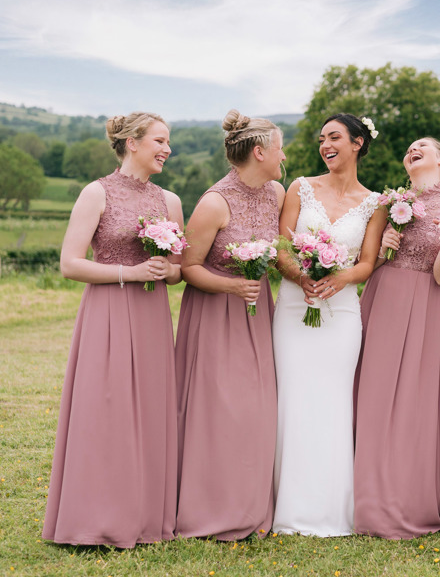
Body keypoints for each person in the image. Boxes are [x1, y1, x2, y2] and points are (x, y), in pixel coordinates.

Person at [43, 112, 182, 547]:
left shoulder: (170, 201)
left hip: (151, 314)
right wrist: (130, 270)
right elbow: (70, 263)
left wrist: (165, 268)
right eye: (159, 140)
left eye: (169, 142)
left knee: (149, 409)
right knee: (106, 409)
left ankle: (143, 517)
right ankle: (96, 517)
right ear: (132, 142)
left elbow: (177, 272)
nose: (167, 149)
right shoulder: (95, 193)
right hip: (107, 310)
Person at [271, 113, 387, 536]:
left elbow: (368, 263)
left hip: (341, 314)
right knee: (292, 397)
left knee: (334, 401)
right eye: (322, 139)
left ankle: (332, 510)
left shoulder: (376, 202)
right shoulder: (299, 187)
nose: (326, 145)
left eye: (334, 137)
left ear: (357, 143)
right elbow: (282, 248)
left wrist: (337, 280)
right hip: (292, 307)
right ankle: (286, 506)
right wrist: (301, 276)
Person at [354, 138, 440, 539]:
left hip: (424, 303)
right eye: (409, 148)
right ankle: (362, 498)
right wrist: (385, 249)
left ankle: (405, 498)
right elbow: (365, 264)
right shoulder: (391, 201)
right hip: (383, 297)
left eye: (423, 146)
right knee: (371, 395)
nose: (413, 149)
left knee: (413, 401)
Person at [175, 110, 286, 540]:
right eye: (279, 148)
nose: (284, 156)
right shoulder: (214, 202)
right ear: (260, 151)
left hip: (258, 314)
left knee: (258, 410)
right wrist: (231, 287)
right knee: (220, 411)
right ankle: (211, 509)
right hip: (216, 314)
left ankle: (253, 505)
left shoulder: (275, 193)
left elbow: (282, 251)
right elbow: (188, 267)